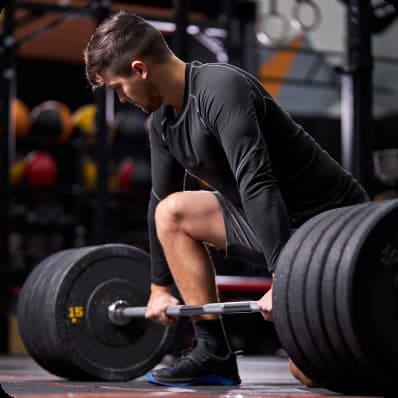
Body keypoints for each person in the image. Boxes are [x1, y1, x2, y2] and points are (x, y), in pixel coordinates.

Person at [84, 10, 370, 387]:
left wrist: (284, 277)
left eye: (118, 86)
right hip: (279, 225)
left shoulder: (219, 87)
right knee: (171, 213)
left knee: (310, 374)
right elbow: (160, 199)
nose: (120, 99)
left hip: (335, 227)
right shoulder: (163, 123)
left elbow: (257, 181)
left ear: (140, 69)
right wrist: (158, 289)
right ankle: (212, 351)